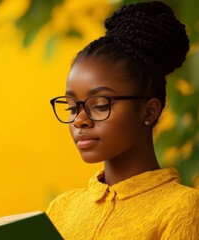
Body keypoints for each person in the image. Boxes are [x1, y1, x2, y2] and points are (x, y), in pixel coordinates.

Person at [46, 1, 199, 239]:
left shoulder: (182, 208)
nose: (80, 121)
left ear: (149, 111)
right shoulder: (61, 209)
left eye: (100, 105)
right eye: (72, 107)